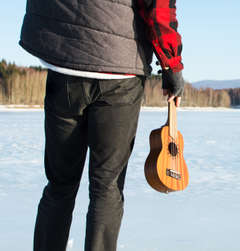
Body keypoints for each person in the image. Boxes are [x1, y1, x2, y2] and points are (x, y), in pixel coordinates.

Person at [19, 0, 184, 250]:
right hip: (119, 71)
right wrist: (171, 64)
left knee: (60, 184)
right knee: (107, 187)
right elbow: (159, 6)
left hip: (64, 61)